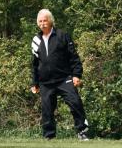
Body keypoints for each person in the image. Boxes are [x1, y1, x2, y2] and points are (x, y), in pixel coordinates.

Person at [30, 9, 90, 140]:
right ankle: (49, 136)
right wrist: (34, 83)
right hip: (45, 82)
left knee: (75, 102)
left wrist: (76, 75)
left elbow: (73, 57)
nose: (42, 23)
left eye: (45, 20)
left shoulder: (62, 35)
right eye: (40, 21)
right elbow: (34, 63)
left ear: (50, 21)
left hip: (64, 78)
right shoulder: (35, 40)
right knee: (47, 109)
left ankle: (82, 131)